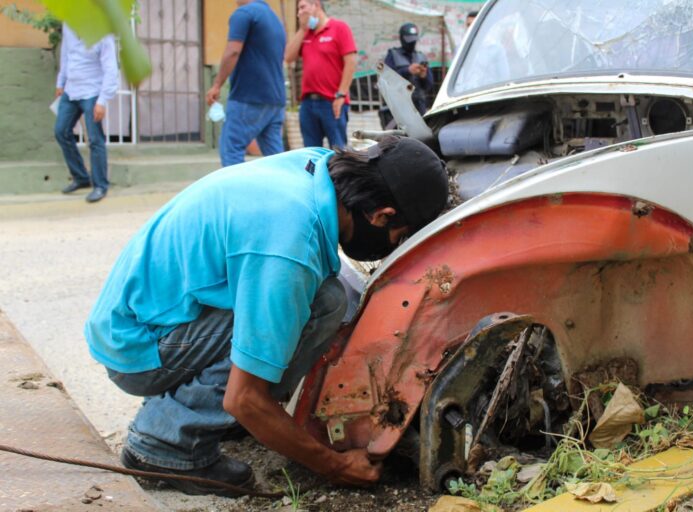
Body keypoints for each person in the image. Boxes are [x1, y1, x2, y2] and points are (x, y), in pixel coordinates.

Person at [85, 135, 449, 496]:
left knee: (326, 296)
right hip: (136, 350)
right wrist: (334, 465)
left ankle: (204, 416)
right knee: (319, 307)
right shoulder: (289, 242)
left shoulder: (317, 167)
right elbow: (244, 398)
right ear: (381, 215)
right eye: (397, 237)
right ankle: (166, 443)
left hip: (141, 316)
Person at [206, 0, 287, 167]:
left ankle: (237, 193)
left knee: (231, 151)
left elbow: (233, 51)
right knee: (277, 161)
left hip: (249, 97)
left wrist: (216, 85)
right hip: (275, 100)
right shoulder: (274, 19)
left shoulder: (244, 14)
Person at [54, 23, 119, 203]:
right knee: (61, 131)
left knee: (95, 139)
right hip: (71, 90)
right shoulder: (69, 25)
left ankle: (100, 185)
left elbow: (110, 69)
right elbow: (66, 55)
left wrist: (102, 101)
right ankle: (81, 177)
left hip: (92, 92)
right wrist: (61, 82)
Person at [285, 0, 356, 148]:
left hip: (332, 101)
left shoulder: (339, 28)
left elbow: (351, 62)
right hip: (308, 103)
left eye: (302, 7)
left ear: (316, 5)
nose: (299, 13)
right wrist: (302, 29)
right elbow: (288, 57)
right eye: (298, 10)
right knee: (310, 153)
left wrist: (341, 94)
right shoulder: (306, 34)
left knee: (338, 151)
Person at [380, 22, 434, 128]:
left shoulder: (421, 57)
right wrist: (407, 71)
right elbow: (386, 79)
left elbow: (429, 85)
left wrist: (423, 75)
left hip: (418, 107)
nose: (412, 43)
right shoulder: (393, 55)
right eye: (409, 39)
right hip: (397, 108)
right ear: (402, 38)